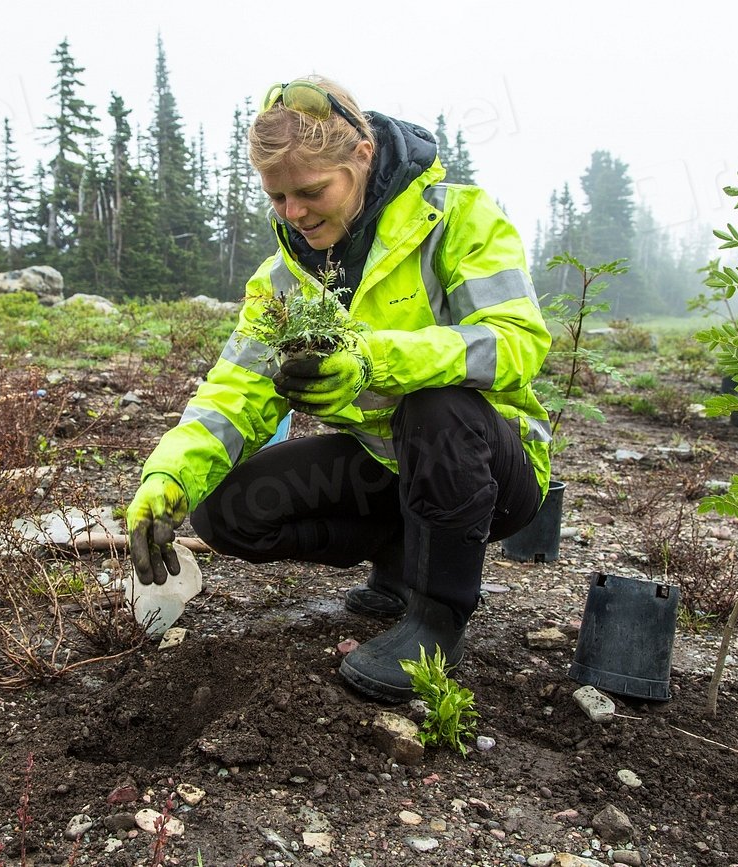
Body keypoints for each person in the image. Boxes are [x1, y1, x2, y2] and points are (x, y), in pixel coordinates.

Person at [124, 77, 552, 703]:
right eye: (277, 198)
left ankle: (437, 617)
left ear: (362, 154)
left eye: (310, 191)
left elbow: (516, 342)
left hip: (493, 469)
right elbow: (234, 390)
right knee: (226, 512)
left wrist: (374, 361)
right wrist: (167, 479)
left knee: (436, 404)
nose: (293, 213)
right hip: (390, 468)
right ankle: (404, 564)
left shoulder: (458, 218)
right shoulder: (284, 279)